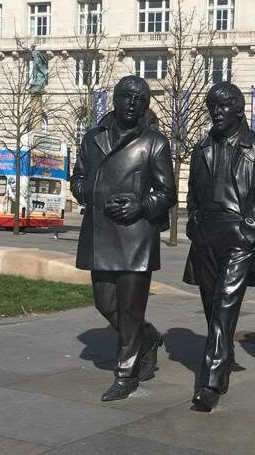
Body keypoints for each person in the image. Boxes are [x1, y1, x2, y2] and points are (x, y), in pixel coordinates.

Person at [70, 75, 177, 401]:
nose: (132, 103)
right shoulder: (92, 138)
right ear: (115, 99)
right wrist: (97, 192)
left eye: (140, 98)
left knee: (130, 308)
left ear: (146, 105)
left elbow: (168, 191)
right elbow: (77, 180)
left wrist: (141, 204)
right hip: (100, 233)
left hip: (136, 236)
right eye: (127, 96)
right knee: (105, 303)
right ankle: (147, 337)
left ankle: (125, 374)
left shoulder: (154, 142)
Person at [182, 82, 255, 412]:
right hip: (206, 236)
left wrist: (248, 227)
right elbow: (193, 194)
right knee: (212, 306)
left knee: (225, 305)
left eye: (223, 106)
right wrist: (194, 221)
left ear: (239, 109)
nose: (216, 111)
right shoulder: (201, 148)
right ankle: (223, 360)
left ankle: (210, 382)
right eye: (212, 106)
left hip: (239, 236)